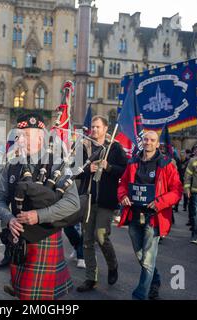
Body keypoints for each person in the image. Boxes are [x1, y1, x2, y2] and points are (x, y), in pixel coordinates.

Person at [0, 112, 80, 300]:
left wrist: (39, 215)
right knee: (24, 294)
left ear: (41, 137)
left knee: (39, 298)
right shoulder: (12, 165)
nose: (20, 140)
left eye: (26, 136)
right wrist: (8, 219)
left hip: (45, 237)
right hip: (19, 239)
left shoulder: (57, 164)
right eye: (18, 135)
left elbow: (73, 202)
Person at [117, 130, 182, 300]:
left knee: (147, 260)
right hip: (133, 215)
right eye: (145, 139)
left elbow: (177, 191)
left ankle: (139, 295)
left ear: (157, 143)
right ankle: (156, 280)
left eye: (152, 140)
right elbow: (123, 184)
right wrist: (123, 196)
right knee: (141, 256)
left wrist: (160, 202)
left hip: (154, 217)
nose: (148, 142)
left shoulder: (166, 163)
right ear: (142, 141)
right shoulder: (133, 161)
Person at [76, 115, 127, 292]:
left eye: (98, 127)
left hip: (106, 201)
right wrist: (86, 169)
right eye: (93, 126)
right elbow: (73, 170)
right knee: (87, 240)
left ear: (106, 129)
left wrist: (109, 167)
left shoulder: (115, 147)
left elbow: (124, 171)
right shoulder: (83, 146)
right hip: (88, 198)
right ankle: (91, 277)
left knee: (101, 236)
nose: (95, 130)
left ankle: (112, 265)